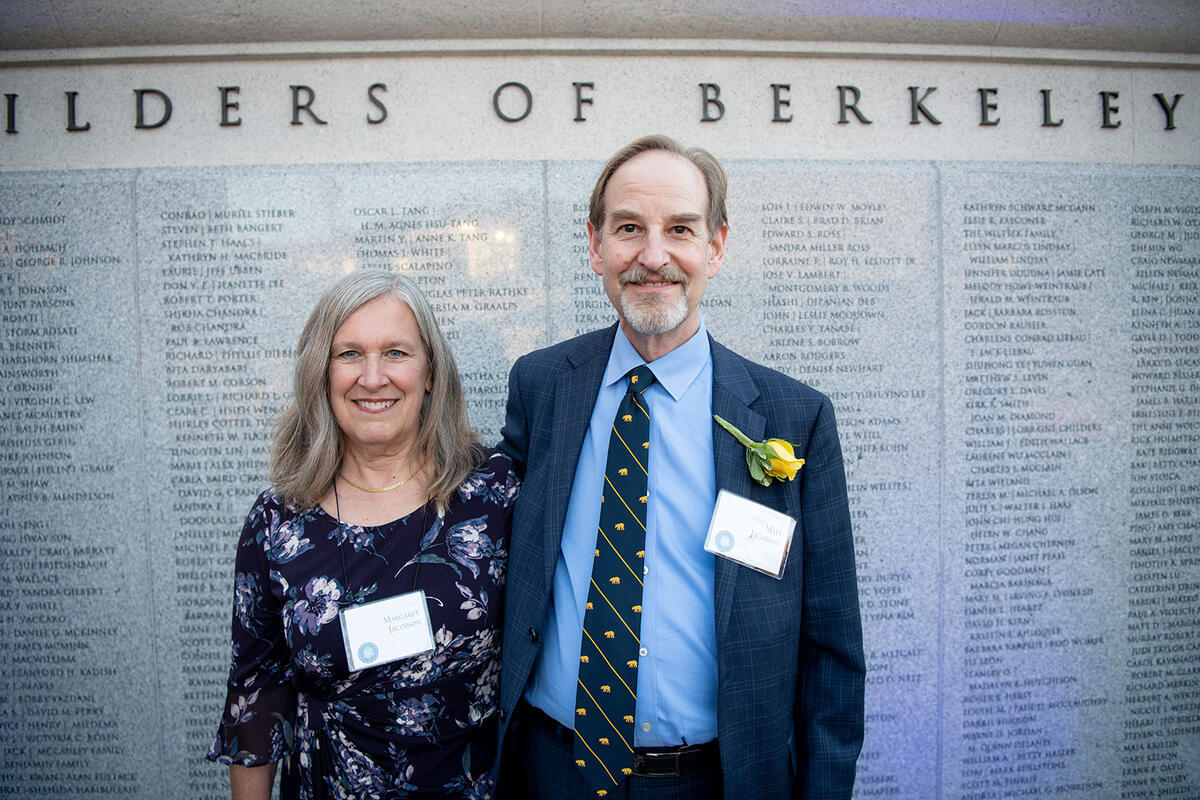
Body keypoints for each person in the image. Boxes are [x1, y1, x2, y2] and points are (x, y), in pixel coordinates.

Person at [496, 135, 864, 800]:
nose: (653, 255)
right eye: (629, 228)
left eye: (681, 230)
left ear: (716, 247)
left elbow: (831, 648)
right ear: (596, 246)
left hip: (716, 781)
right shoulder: (542, 385)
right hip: (552, 772)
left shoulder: (792, 418)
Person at [208, 269, 519, 800]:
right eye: (349, 354)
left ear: (430, 374)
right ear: (320, 374)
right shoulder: (277, 523)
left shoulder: (494, 494)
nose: (372, 377)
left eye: (396, 353)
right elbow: (257, 701)